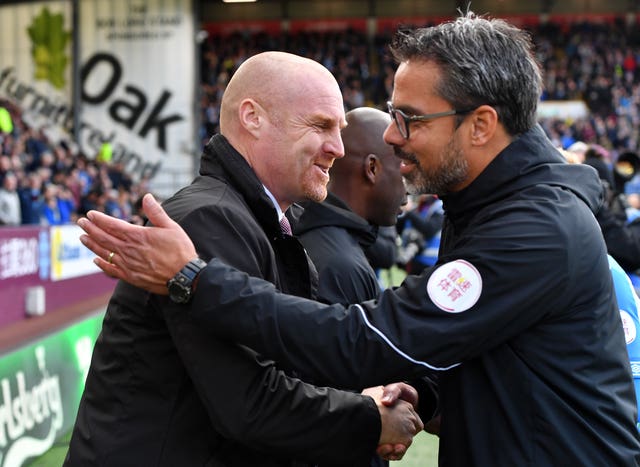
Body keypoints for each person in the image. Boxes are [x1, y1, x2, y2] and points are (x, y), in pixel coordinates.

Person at [77, 13, 640, 465]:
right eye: (322, 127)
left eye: (410, 118)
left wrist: (192, 278)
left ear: (481, 124)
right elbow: (478, 354)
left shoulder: (533, 229)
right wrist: (421, 397)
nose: (388, 137)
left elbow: (368, 341)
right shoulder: (488, 209)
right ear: (252, 117)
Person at [66, 51, 423, 467]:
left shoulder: (258, 221)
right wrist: (370, 419)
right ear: (252, 117)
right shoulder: (208, 218)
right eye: (321, 125)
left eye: (340, 130)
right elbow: (250, 402)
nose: (338, 149)